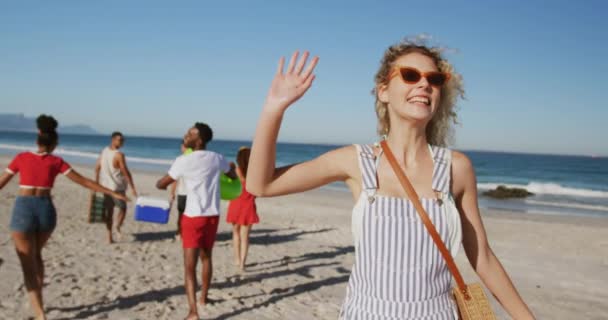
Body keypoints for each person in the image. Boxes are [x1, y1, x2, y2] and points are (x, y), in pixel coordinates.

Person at [246, 40, 536, 319]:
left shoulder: (456, 168)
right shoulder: (356, 161)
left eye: (434, 79)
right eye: (410, 76)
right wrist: (274, 107)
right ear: (383, 91)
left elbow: (482, 257)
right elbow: (261, 185)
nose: (424, 84)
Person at [0, 115, 129, 320]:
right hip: (45, 211)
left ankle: (40, 313)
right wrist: (112, 192)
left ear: (37, 140)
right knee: (37, 256)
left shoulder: (21, 158)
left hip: (24, 210)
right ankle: (39, 302)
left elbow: (1, 182)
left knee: (27, 265)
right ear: (55, 144)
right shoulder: (56, 161)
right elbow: (84, 182)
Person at [155, 122, 236, 320]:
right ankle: (204, 299)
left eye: (190, 133)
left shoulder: (184, 160)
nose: (186, 135)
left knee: (189, 267)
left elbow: (161, 184)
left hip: (192, 217)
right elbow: (232, 176)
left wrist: (162, 182)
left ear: (199, 140)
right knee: (207, 258)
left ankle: (193, 312)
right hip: (212, 217)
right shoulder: (217, 158)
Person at [95, 131, 138, 243]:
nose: (122, 142)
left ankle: (109, 237)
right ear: (113, 140)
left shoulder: (104, 151)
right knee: (123, 209)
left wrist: (96, 183)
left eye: (123, 140)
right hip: (117, 188)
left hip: (105, 187)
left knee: (110, 212)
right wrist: (132, 187)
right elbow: (125, 171)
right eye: (120, 140)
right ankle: (117, 226)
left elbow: (97, 167)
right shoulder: (119, 155)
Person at [225, 147, 259, 271]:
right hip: (248, 206)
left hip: (235, 204)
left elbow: (229, 184)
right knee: (245, 237)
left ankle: (237, 259)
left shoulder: (237, 170)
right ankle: (242, 264)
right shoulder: (255, 174)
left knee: (235, 234)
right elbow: (258, 192)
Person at [170, 143, 189, 238]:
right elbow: (175, 178)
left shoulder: (179, 160)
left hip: (186, 193)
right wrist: (172, 192)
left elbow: (174, 178)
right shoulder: (181, 159)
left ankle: (181, 232)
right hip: (183, 192)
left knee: (183, 215)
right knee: (182, 214)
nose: (182, 148)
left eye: (183, 146)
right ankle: (180, 232)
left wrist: (172, 192)